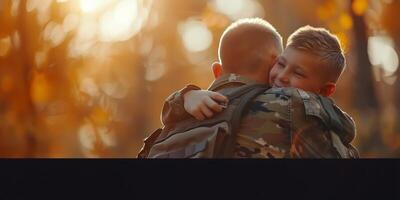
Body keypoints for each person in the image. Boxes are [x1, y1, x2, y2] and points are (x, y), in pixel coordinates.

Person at [153, 18, 359, 158]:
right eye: (280, 63)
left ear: (217, 71)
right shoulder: (288, 104)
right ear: (272, 62)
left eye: (297, 73)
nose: (283, 77)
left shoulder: (175, 122)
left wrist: (184, 96)